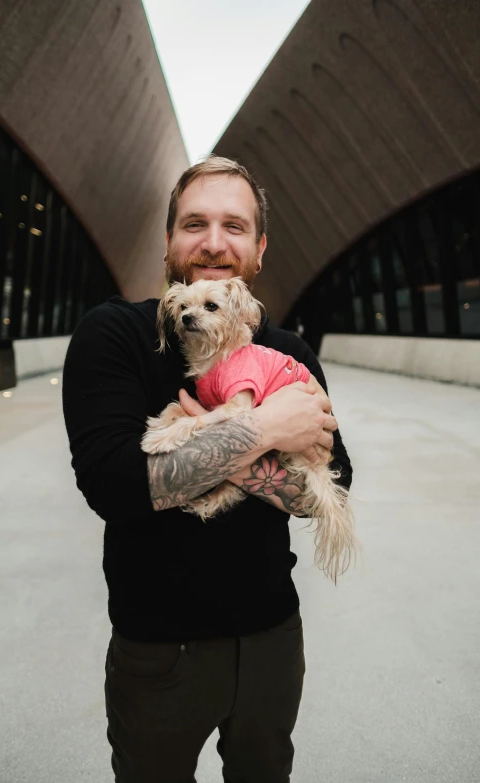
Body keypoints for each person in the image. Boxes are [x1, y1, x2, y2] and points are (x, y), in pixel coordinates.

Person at [62, 155, 353, 783]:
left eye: (235, 226)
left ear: (260, 247)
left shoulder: (287, 352)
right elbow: (115, 485)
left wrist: (228, 446)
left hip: (273, 640)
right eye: (195, 224)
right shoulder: (113, 335)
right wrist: (267, 430)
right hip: (158, 649)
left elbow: (331, 483)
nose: (215, 243)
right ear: (167, 239)